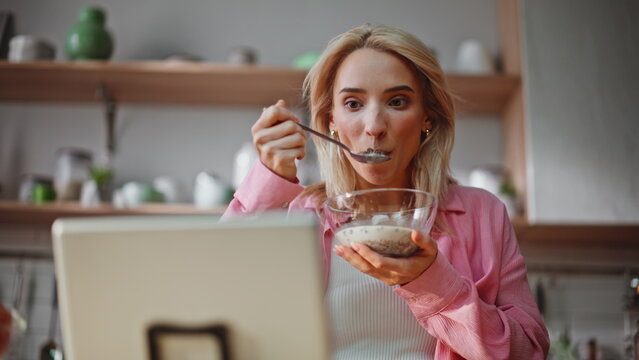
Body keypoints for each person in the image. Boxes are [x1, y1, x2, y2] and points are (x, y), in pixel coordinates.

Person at [223, 24, 549, 359]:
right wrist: (269, 178)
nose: (375, 126)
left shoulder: (483, 214)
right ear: (330, 119)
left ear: (427, 117)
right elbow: (216, 304)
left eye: (397, 101)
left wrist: (432, 282)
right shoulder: (298, 212)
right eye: (353, 103)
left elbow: (529, 353)